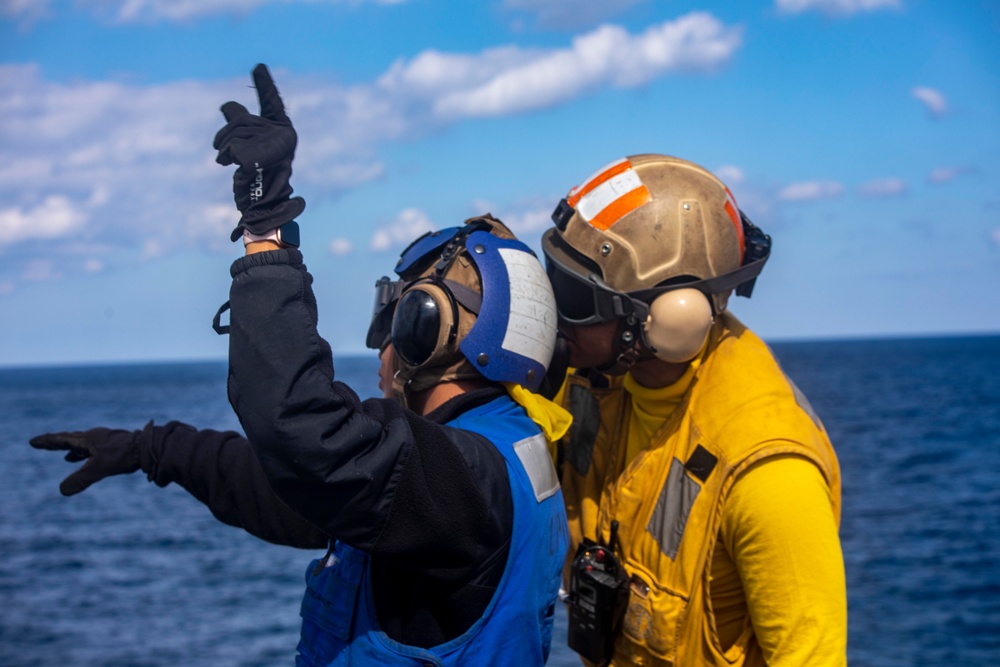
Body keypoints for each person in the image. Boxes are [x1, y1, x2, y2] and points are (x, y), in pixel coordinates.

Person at [30, 64, 570, 666]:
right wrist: (150, 449)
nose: (379, 346)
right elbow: (289, 490)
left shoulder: (463, 480)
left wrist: (267, 229)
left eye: (391, 317)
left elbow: (303, 428)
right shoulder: (490, 456)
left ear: (425, 330)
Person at [540, 154, 846, 666]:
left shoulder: (769, 475)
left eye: (576, 295)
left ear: (666, 319)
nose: (555, 312)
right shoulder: (591, 380)